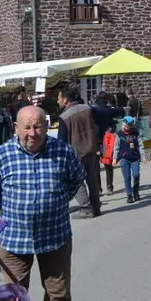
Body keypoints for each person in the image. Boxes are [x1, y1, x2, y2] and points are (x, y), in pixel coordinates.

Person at [0, 105, 86, 301]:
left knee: (59, 296)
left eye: (38, 127)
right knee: (13, 299)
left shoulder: (63, 152)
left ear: (47, 127)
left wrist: (55, 202)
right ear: (16, 128)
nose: (32, 133)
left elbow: (76, 178)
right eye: (27, 127)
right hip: (13, 240)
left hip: (55, 236)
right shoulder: (0, 155)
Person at [57, 85, 102, 219]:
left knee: (76, 180)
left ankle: (86, 208)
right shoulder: (88, 108)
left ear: (65, 100)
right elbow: (99, 124)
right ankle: (96, 206)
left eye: (59, 98)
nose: (57, 101)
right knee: (92, 179)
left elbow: (62, 141)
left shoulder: (64, 117)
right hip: (91, 148)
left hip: (76, 152)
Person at [113, 116, 147, 203]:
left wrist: (143, 157)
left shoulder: (135, 134)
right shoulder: (119, 134)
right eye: (123, 125)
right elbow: (116, 147)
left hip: (135, 158)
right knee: (127, 177)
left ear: (131, 126)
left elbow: (140, 146)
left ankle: (136, 192)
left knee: (136, 175)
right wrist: (115, 158)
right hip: (124, 159)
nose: (124, 127)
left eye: (126, 126)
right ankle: (129, 195)